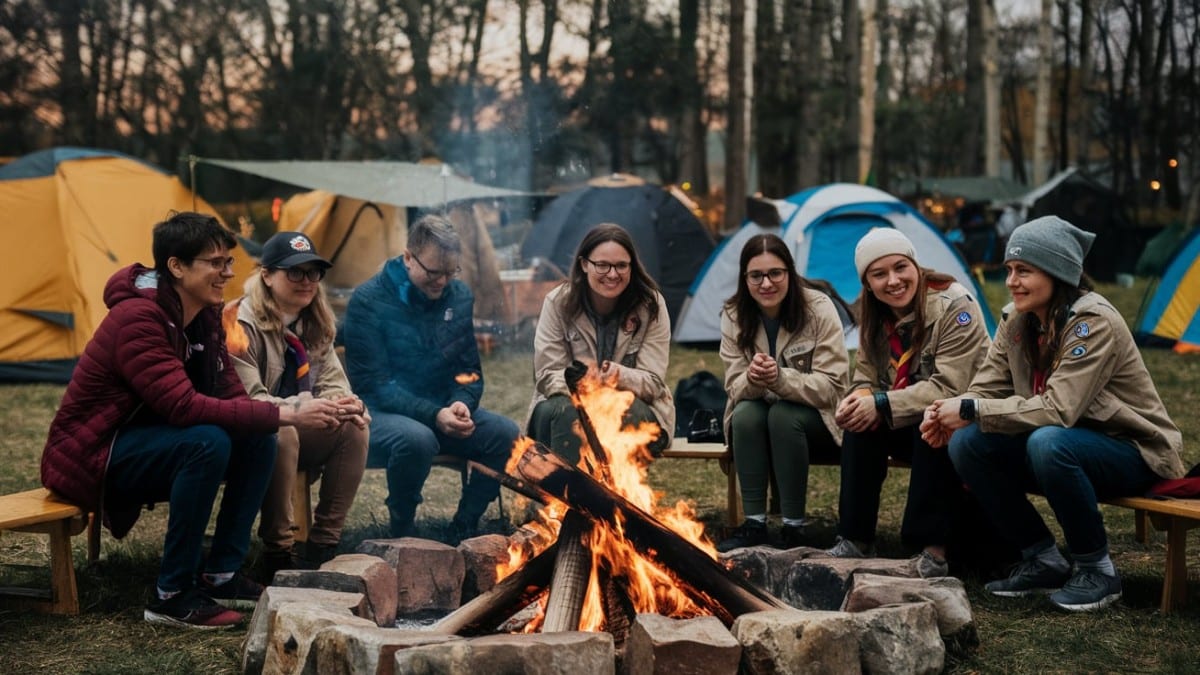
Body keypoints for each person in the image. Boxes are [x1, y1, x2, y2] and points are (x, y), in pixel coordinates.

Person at [40, 212, 343, 630]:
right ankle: (172, 595)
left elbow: (227, 393)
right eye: (215, 263)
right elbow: (181, 407)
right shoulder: (138, 319)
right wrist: (286, 411)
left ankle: (221, 574)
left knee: (259, 437)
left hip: (143, 440)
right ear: (177, 266)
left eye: (229, 262)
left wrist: (273, 418)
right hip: (93, 454)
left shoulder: (203, 315)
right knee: (207, 441)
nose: (227, 273)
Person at [921, 215, 1186, 611]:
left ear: (1059, 272)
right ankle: (1042, 557)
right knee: (968, 443)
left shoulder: (1093, 322)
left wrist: (973, 408)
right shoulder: (1017, 319)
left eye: (1024, 271)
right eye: (1010, 269)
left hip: (1131, 449)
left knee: (1048, 441)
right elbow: (986, 386)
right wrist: (949, 413)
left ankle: (1098, 570)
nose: (1011, 281)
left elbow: (1059, 409)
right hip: (1063, 446)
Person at [343, 213, 519, 542]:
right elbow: (374, 386)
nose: (442, 282)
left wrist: (461, 402)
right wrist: (434, 414)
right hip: (380, 414)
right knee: (417, 438)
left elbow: (468, 369)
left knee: (505, 433)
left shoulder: (459, 296)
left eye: (451, 272)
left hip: (441, 410)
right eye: (434, 272)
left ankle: (464, 526)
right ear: (408, 257)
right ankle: (403, 530)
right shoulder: (369, 301)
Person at [827, 228, 991, 577]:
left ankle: (932, 549)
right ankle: (855, 538)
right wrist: (857, 400)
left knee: (932, 421)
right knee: (861, 423)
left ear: (916, 266)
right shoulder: (874, 314)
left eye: (901, 267)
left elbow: (949, 386)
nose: (893, 281)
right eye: (879, 274)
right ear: (868, 283)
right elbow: (865, 379)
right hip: (911, 410)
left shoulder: (954, 306)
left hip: (968, 418)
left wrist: (882, 402)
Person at [227, 231, 369, 578]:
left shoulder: (314, 321)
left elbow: (333, 381)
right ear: (266, 275)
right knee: (283, 429)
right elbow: (251, 399)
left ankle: (322, 546)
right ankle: (278, 552)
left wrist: (343, 405)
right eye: (294, 272)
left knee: (354, 426)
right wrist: (299, 409)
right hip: (246, 434)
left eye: (313, 273)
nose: (306, 281)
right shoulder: (239, 324)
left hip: (297, 424)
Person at [716, 233, 849, 551]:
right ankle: (755, 524)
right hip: (758, 414)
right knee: (745, 413)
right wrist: (753, 378)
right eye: (756, 275)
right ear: (744, 278)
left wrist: (780, 379)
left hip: (817, 419)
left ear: (789, 272)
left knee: (783, 414)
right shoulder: (734, 315)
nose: (766, 283)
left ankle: (793, 527)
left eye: (775, 273)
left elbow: (832, 387)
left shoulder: (818, 308)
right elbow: (735, 389)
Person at [527, 223, 674, 465]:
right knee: (565, 413)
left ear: (632, 267)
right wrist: (582, 385)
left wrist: (612, 376)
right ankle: (566, 498)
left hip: (632, 406)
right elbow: (546, 375)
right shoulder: (557, 303)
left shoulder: (651, 305)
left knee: (626, 413)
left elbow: (653, 383)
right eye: (602, 265)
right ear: (584, 264)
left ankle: (617, 499)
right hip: (566, 401)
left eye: (621, 266)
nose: (613, 274)